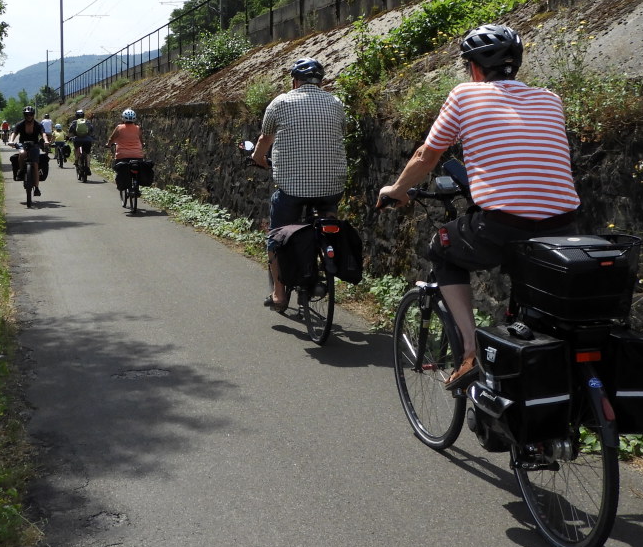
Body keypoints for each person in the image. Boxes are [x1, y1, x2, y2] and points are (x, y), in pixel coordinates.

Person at [377, 24, 580, 389]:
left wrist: (396, 189)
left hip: (502, 224)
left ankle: (470, 350)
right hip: (564, 228)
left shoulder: (465, 95)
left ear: (473, 67)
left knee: (442, 247)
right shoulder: (550, 98)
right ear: (515, 64)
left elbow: (427, 156)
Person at [248, 57, 346, 311]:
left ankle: (279, 294)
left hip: (292, 189)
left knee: (276, 236)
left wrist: (258, 158)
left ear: (295, 81)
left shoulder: (280, 102)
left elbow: (265, 138)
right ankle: (330, 252)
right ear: (320, 81)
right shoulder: (335, 103)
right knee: (329, 218)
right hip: (331, 186)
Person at [10, 106, 50, 194]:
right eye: (27, 115)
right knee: (22, 153)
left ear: (33, 115)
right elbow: (14, 133)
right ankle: (21, 170)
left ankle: (36, 187)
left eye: (31, 114)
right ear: (24, 115)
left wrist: (46, 141)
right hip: (22, 144)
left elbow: (43, 134)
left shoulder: (38, 125)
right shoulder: (20, 124)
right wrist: (11, 141)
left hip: (34, 145)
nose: (29, 116)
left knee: (35, 164)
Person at [108, 108, 145, 192]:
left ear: (123, 118)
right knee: (138, 170)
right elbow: (141, 141)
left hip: (122, 155)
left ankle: (124, 184)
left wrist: (108, 144)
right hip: (137, 155)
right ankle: (136, 185)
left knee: (119, 169)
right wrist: (142, 145)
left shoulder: (119, 128)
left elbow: (111, 138)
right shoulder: (138, 128)